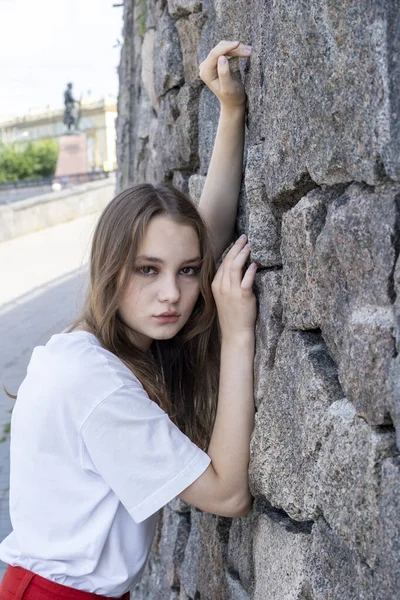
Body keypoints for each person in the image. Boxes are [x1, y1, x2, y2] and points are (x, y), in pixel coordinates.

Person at [0, 40, 255, 600]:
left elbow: (200, 240)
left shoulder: (90, 345)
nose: (173, 295)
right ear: (112, 270)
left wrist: (230, 112)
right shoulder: (98, 385)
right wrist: (237, 335)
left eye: (187, 273)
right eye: (147, 270)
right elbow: (226, 493)